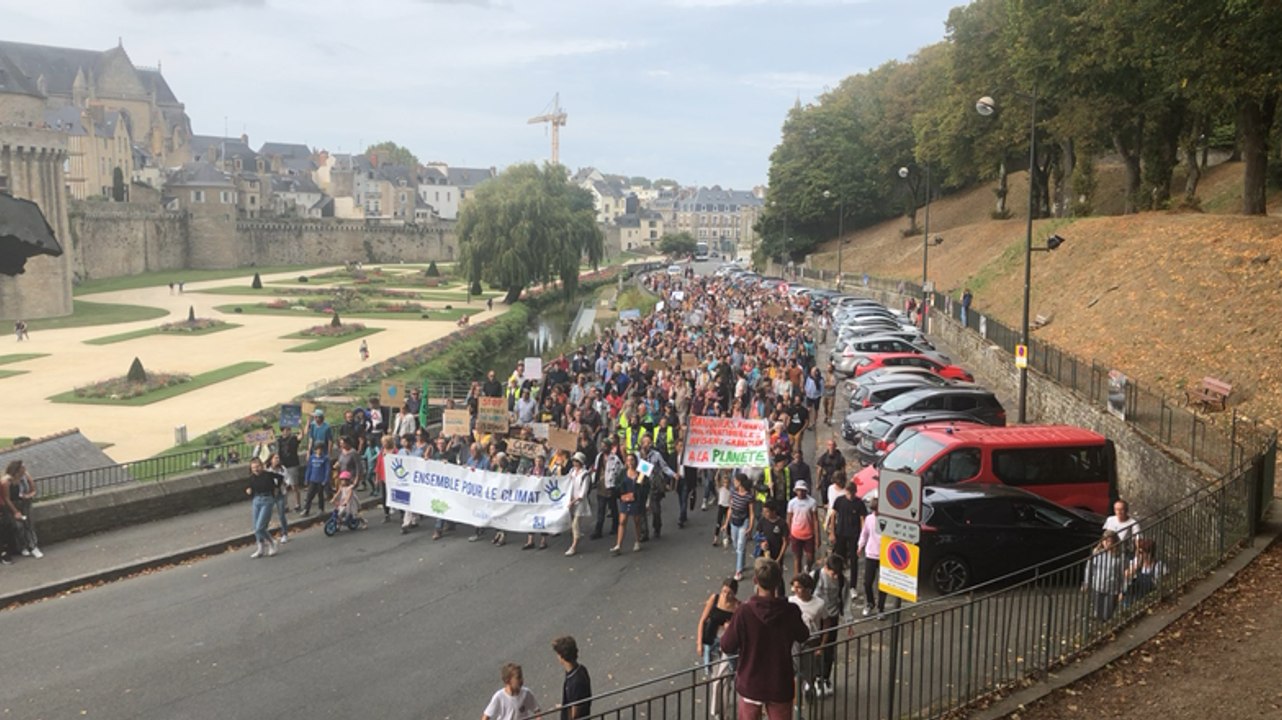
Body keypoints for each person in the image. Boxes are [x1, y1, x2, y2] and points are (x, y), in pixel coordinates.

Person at [718, 559, 810, 720]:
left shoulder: (743, 612)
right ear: (778, 582)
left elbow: (727, 645)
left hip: (750, 682)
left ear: (755, 580)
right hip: (780, 681)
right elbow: (803, 635)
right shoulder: (790, 611)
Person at [787, 572, 825, 702]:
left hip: (811, 640)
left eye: (799, 587)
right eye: (794, 587)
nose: (795, 590)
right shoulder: (791, 601)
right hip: (795, 640)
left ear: (808, 588)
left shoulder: (819, 604)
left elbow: (826, 624)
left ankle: (809, 688)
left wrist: (822, 645)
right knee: (796, 671)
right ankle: (797, 702)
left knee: (809, 671)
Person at [696, 578, 740, 674]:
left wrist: (730, 626)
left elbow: (739, 629)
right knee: (711, 672)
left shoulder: (737, 606)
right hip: (711, 640)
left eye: (730, 593)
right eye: (724, 591)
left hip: (725, 642)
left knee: (725, 673)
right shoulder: (715, 598)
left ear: (735, 593)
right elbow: (702, 620)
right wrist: (699, 643)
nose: (726, 596)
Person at [1083, 529, 1125, 621]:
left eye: (1110, 541)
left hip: (1112, 588)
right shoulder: (1097, 554)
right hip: (1097, 586)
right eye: (1105, 541)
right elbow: (1089, 568)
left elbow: (1122, 574)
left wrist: (1122, 590)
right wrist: (1086, 582)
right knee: (1099, 613)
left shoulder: (1120, 557)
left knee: (1107, 614)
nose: (1107, 543)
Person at [2, 460, 41, 559]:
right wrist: (15, 511)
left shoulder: (25, 475)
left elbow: (33, 488)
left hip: (25, 503)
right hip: (13, 504)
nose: (25, 469)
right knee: (18, 527)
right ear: (17, 470)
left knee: (29, 524)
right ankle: (22, 547)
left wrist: (29, 495)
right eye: (23, 467)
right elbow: (6, 498)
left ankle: (33, 546)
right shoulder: (6, 481)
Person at [244, 457, 279, 558]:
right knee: (256, 527)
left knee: (260, 527)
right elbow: (249, 486)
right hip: (256, 500)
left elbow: (279, 478)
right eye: (253, 467)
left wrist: (277, 489)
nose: (256, 469)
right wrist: (248, 490)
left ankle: (272, 542)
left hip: (267, 500)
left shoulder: (267, 475)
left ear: (262, 466)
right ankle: (260, 548)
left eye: (258, 467)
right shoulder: (251, 478)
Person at [723, 473, 756, 581]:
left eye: (736, 480)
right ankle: (741, 562)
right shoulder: (734, 493)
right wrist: (726, 523)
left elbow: (751, 513)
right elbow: (730, 508)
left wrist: (750, 526)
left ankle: (738, 571)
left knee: (740, 545)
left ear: (740, 482)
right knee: (736, 543)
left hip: (743, 522)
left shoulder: (749, 496)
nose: (734, 482)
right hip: (734, 521)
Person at [857, 497, 887, 617]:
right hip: (871, 554)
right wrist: (860, 546)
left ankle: (881, 608)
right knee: (867, 582)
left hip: (884, 555)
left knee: (883, 584)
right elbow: (864, 534)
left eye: (876, 510)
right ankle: (870, 603)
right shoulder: (869, 519)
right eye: (873, 510)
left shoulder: (887, 520)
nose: (875, 512)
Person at [611, 453, 644, 555]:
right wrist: (621, 495)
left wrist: (640, 486)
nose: (630, 462)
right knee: (622, 521)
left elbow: (643, 488)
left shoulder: (640, 474)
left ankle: (637, 541)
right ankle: (618, 545)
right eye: (628, 460)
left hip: (636, 500)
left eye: (632, 460)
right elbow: (617, 485)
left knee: (637, 521)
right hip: (625, 499)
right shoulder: (623, 473)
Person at [552, 636, 592, 720]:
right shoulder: (581, 669)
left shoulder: (575, 682)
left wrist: (567, 711)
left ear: (562, 657)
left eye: (558, 654)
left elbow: (575, 713)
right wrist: (564, 707)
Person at [786, 481, 819, 577]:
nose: (800, 493)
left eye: (802, 490)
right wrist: (787, 534)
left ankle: (807, 567)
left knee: (810, 557)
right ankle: (797, 579)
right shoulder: (792, 503)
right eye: (798, 490)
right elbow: (789, 519)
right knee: (797, 558)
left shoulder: (812, 502)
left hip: (809, 534)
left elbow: (815, 520)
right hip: (795, 533)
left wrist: (817, 537)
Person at [564, 452, 593, 556]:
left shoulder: (585, 475)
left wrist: (573, 501)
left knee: (575, 524)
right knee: (573, 522)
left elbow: (583, 493)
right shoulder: (572, 471)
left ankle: (574, 546)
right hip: (571, 500)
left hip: (579, 503)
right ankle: (576, 536)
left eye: (576, 461)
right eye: (574, 461)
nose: (574, 463)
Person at [1122, 537, 1166, 606]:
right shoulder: (1136, 562)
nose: (1138, 554)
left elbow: (1163, 585)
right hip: (1132, 597)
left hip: (1146, 600)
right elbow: (1125, 577)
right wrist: (1134, 569)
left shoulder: (1158, 566)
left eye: (1141, 552)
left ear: (1149, 553)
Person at [265, 453, 291, 544]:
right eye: (275, 458)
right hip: (270, 494)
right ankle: (266, 536)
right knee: (266, 515)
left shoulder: (282, 469)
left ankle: (284, 534)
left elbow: (288, 480)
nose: (277, 460)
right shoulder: (267, 470)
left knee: (281, 514)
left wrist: (284, 483)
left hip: (280, 493)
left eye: (278, 458)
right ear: (271, 459)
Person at [278, 425, 303, 513]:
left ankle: (297, 504)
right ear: (282, 431)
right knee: (284, 487)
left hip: (292, 464)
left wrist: (300, 427)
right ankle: (285, 505)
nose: (288, 431)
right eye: (286, 430)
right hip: (283, 466)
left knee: (294, 486)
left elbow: (301, 437)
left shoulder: (293, 439)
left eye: (289, 429)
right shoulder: (280, 440)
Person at [301, 444, 330, 515]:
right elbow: (309, 468)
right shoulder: (312, 458)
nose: (319, 451)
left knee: (320, 495)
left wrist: (325, 480)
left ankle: (321, 508)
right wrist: (306, 479)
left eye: (320, 449)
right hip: (313, 479)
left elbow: (327, 470)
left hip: (321, 479)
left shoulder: (325, 458)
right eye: (317, 449)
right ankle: (306, 509)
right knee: (309, 495)